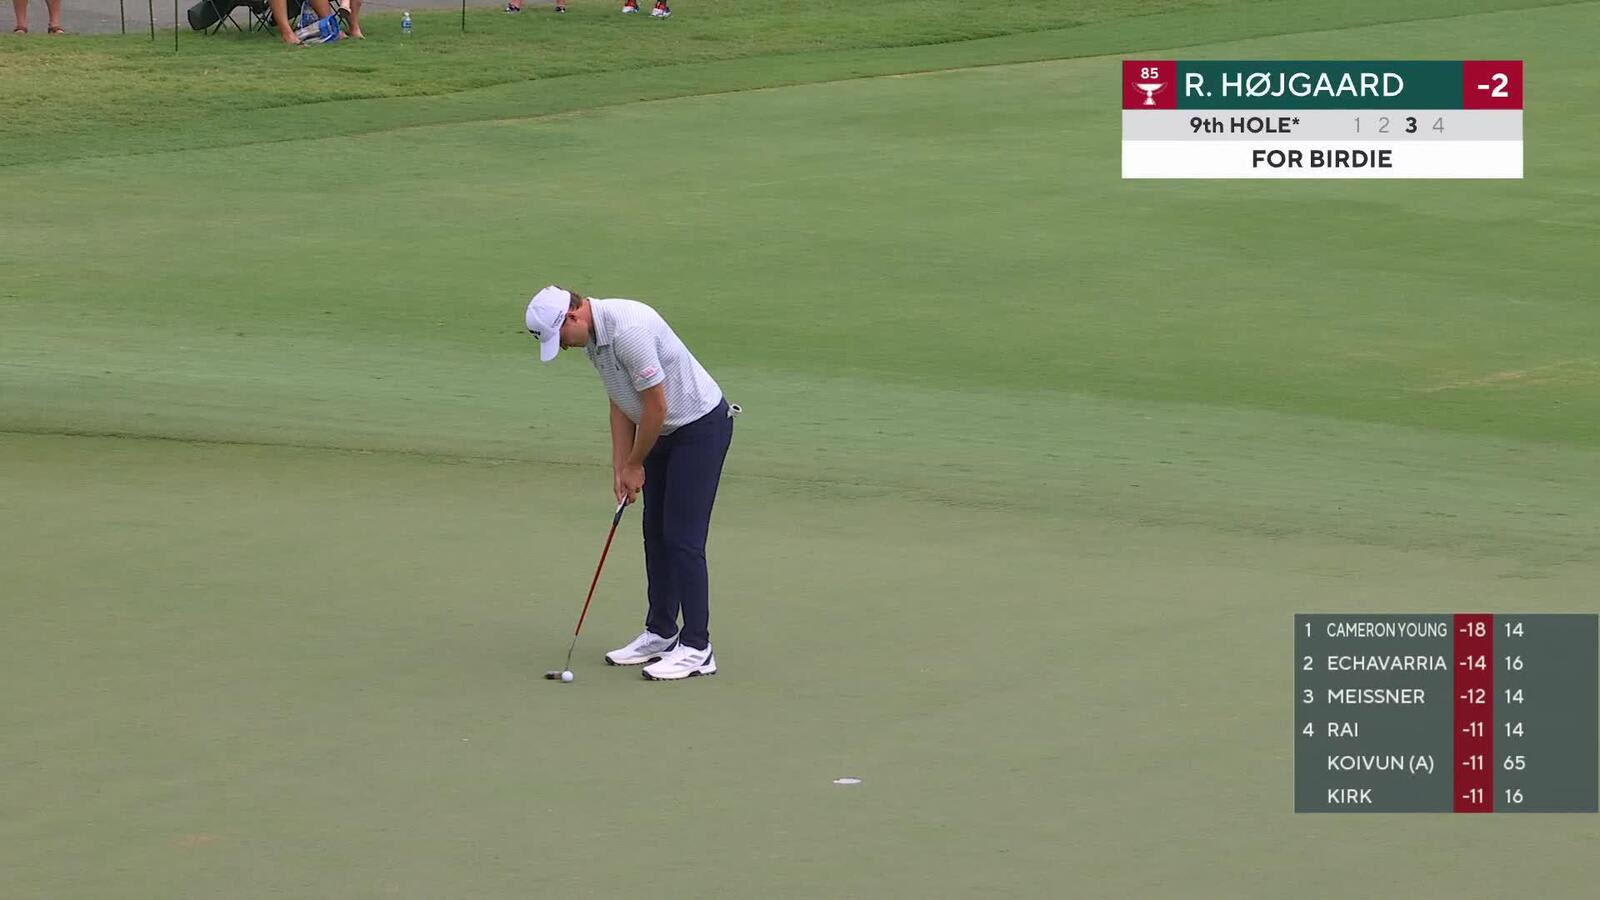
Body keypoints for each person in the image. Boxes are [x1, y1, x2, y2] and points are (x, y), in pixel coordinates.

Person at [524, 285, 736, 681]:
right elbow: (621, 400)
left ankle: (697, 647)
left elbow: (656, 405)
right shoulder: (593, 339)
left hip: (699, 430)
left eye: (561, 338)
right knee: (655, 534)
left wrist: (637, 461)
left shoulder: (628, 331)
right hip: (661, 432)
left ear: (573, 316)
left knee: (683, 539)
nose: (564, 347)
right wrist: (620, 466)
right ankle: (660, 632)